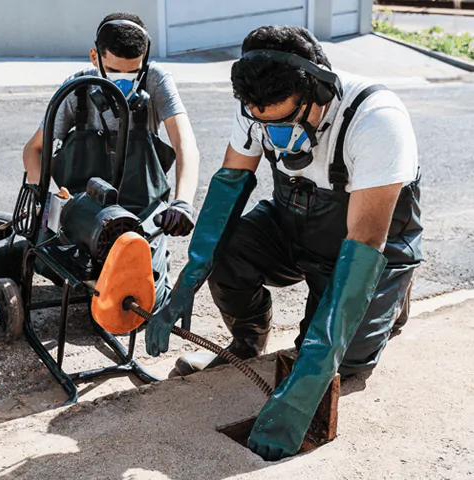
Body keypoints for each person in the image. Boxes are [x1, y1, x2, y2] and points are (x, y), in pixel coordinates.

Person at [145, 25, 422, 460]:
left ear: (319, 91)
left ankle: (391, 297)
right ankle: (248, 338)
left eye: (285, 122)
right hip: (293, 221)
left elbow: (364, 240)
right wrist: (187, 281)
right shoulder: (257, 106)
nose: (273, 135)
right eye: (261, 121)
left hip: (364, 246)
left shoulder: (375, 119)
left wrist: (300, 393)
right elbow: (228, 190)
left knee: (340, 364)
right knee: (227, 251)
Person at [22, 12, 200, 310]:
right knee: (53, 265)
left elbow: (186, 145)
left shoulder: (155, 80)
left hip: (139, 213)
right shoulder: (76, 89)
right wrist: (44, 199)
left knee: (141, 304)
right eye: (116, 72)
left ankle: (156, 262)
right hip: (85, 211)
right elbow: (33, 149)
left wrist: (183, 203)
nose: (126, 82)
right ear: (95, 57)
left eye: (134, 73)